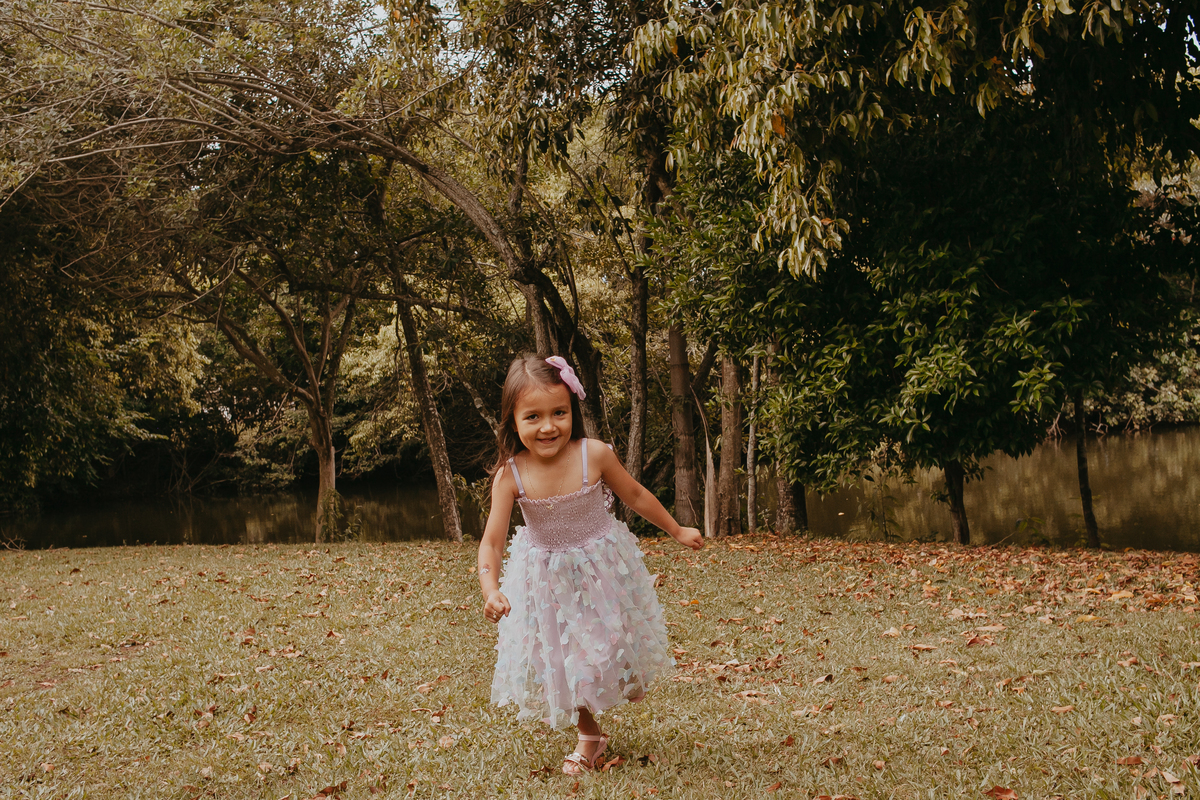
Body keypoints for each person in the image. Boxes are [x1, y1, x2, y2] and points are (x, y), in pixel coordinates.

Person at [478, 354, 704, 775]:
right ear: (512, 422)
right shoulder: (511, 476)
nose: (548, 426)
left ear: (572, 411)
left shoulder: (594, 455)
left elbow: (635, 495)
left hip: (603, 568)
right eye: (533, 417)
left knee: (611, 640)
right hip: (544, 579)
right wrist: (491, 590)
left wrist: (676, 529)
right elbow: (491, 542)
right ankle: (589, 735)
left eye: (559, 413)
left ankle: (623, 680)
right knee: (564, 658)